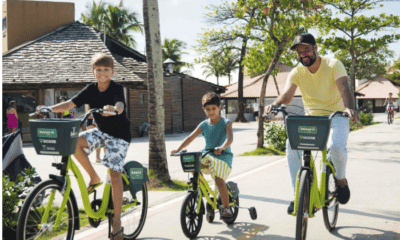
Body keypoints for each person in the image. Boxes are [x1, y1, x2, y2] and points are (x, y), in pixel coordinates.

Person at [37, 53, 130, 240]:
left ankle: (117, 222)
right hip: (101, 131)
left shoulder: (117, 88)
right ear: (93, 72)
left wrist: (115, 109)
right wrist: (49, 109)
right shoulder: (90, 89)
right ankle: (94, 177)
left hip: (119, 135)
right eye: (98, 70)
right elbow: (70, 104)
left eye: (106, 70)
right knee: (74, 142)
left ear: (112, 71)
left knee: (114, 173)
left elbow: (120, 104)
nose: (102, 73)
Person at [264, 33, 359, 215]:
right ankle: (297, 195)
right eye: (299, 52)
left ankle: (340, 180)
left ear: (315, 48)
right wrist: (275, 105)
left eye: (306, 49)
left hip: (336, 116)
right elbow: (287, 95)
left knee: (337, 147)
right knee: (290, 146)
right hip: (312, 118)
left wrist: (349, 108)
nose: (302, 54)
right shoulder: (297, 71)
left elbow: (344, 88)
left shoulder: (333, 65)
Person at [171, 92, 234, 219]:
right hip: (207, 154)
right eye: (207, 109)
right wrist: (178, 149)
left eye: (213, 109)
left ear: (219, 107)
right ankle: (199, 192)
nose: (210, 112)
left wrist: (221, 147)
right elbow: (190, 138)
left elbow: (230, 139)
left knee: (218, 180)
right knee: (194, 165)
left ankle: (226, 208)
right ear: (203, 110)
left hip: (223, 156)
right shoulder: (204, 124)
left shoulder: (226, 123)